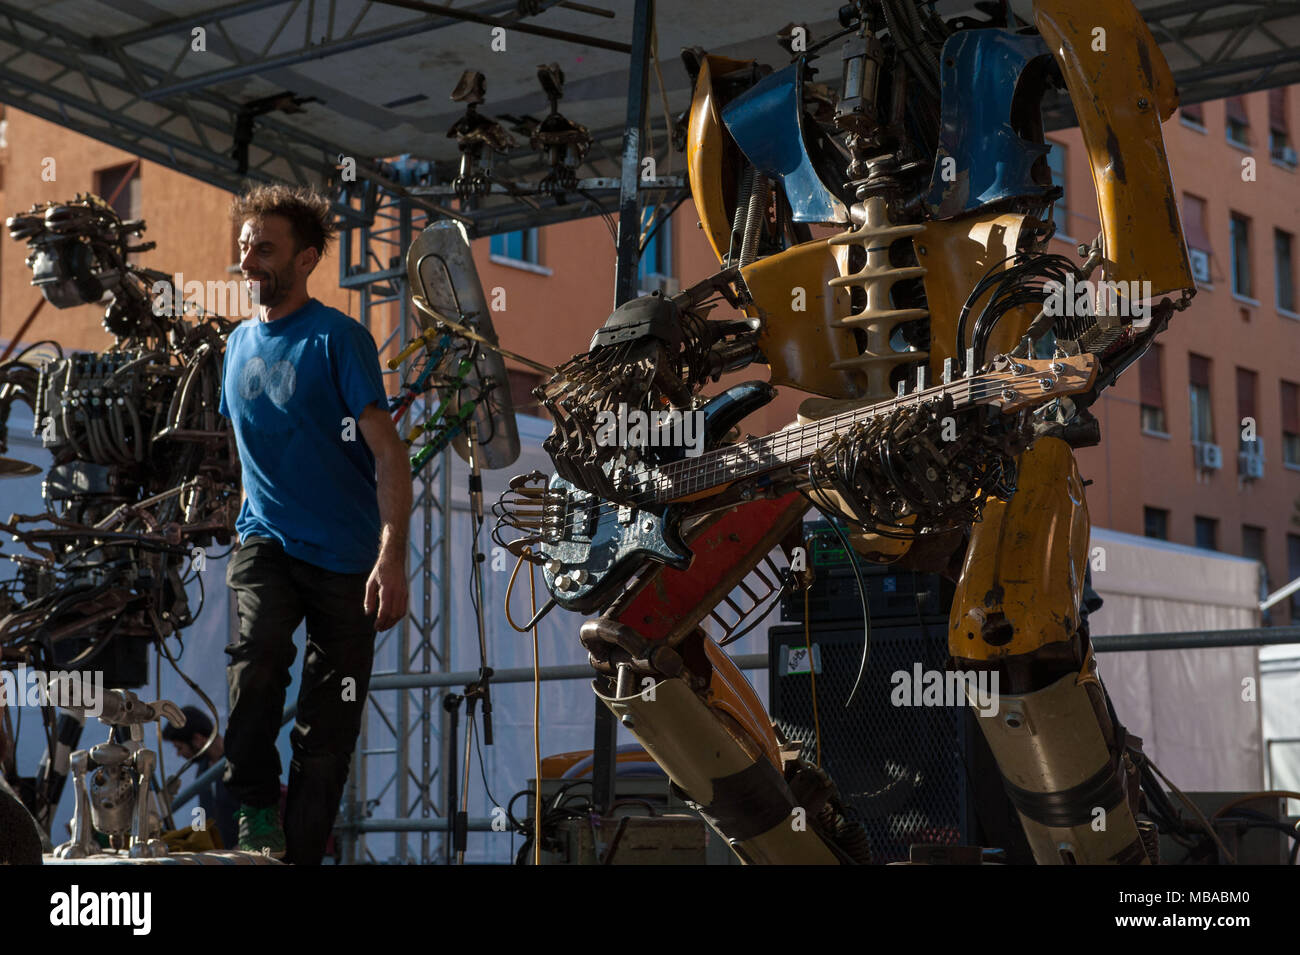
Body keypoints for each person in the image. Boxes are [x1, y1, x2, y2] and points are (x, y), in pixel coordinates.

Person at [218, 184, 412, 864]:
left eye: (264, 248)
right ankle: (250, 808)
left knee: (328, 730)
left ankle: (296, 855)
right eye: (245, 247)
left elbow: (388, 448)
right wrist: (249, 514)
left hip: (347, 559)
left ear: (304, 260)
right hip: (266, 540)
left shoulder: (340, 337)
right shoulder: (235, 345)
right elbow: (253, 446)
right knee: (258, 660)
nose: (248, 262)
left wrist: (391, 555)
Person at [162, 705, 240, 850]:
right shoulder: (203, 769)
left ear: (198, 740)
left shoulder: (239, 763)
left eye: (179, 748)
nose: (179, 754)